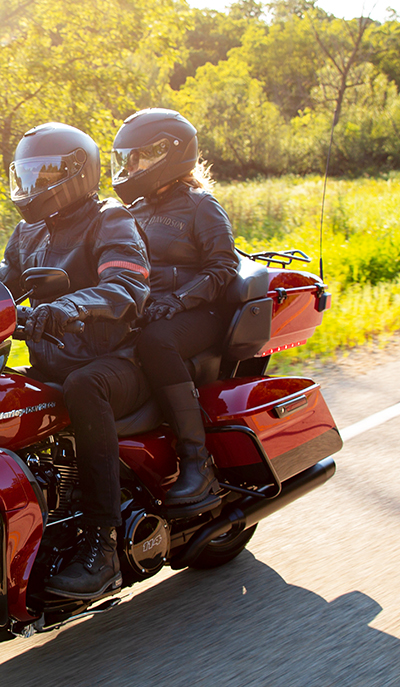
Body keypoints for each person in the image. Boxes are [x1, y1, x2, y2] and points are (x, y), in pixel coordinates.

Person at [0, 121, 151, 599]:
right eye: (25, 174)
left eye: (43, 174)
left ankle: (101, 548)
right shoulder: (27, 233)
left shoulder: (111, 220)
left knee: (86, 387)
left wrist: (67, 308)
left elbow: (127, 286)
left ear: (78, 173)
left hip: (116, 362)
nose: (31, 186)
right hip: (52, 363)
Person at [110, 108, 239, 513]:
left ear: (172, 153)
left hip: (202, 313)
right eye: (128, 158)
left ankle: (196, 462)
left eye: (141, 156)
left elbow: (224, 267)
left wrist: (179, 300)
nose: (133, 166)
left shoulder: (202, 206)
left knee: (156, 342)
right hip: (153, 310)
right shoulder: (133, 211)